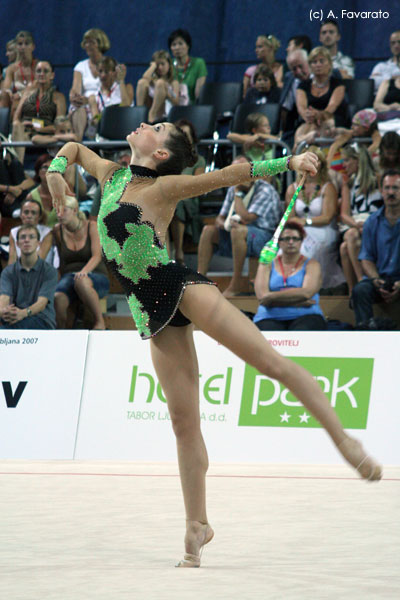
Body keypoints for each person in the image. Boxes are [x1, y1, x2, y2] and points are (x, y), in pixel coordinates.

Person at [46, 126, 382, 568]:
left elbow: (230, 174)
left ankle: (343, 440)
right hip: (150, 311)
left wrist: (289, 163)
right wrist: (56, 180)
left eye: (157, 127)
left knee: (271, 364)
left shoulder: (165, 186)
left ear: (160, 151)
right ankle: (197, 523)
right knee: (183, 423)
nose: (146, 124)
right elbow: (71, 148)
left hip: (180, 288)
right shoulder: (109, 174)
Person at [197, 155, 281, 297]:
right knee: (209, 230)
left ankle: (235, 285)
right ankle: (200, 280)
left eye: (241, 169)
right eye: (235, 170)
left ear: (251, 170)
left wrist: (238, 193)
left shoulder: (264, 189)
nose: (238, 173)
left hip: (265, 238)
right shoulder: (233, 188)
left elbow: (247, 218)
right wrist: (226, 225)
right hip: (239, 234)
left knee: (238, 231)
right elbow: (219, 219)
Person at [45, 195, 109, 330]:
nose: (59, 214)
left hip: (95, 274)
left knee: (82, 281)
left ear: (75, 210)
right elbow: (61, 261)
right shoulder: (57, 230)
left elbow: (97, 256)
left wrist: (84, 272)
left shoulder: (91, 226)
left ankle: (100, 322)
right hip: (69, 276)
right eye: (57, 211)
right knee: (58, 297)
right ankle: (61, 332)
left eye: (64, 210)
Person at [285, 145, 344, 289]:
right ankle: (287, 284)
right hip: (299, 228)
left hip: (322, 228)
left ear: (321, 165)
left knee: (306, 251)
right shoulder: (293, 188)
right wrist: (297, 224)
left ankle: (308, 286)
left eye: (316, 160)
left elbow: (327, 217)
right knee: (282, 249)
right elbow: (290, 217)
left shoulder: (328, 187)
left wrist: (305, 221)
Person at [253, 221, 326, 331]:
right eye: (286, 239)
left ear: (301, 241)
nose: (291, 242)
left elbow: (306, 293)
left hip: (307, 316)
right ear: (279, 242)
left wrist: (272, 298)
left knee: (302, 332)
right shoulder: (266, 264)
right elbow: (262, 297)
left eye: (295, 238)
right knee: (270, 334)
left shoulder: (312, 264)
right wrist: (299, 301)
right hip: (269, 317)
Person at [351, 170, 400, 327]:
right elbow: (366, 258)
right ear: (381, 190)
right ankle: (365, 337)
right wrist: (376, 280)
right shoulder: (372, 221)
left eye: (396, 188)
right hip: (380, 278)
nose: (391, 192)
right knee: (360, 290)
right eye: (387, 188)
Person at [338, 143, 383, 295]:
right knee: (351, 234)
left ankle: (356, 288)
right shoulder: (348, 184)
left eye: (346, 160)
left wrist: (370, 224)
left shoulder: (378, 179)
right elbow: (344, 215)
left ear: (357, 160)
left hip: (376, 222)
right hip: (354, 224)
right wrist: (356, 225)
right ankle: (359, 282)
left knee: (344, 248)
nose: (344, 165)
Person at [0, 224, 57, 329]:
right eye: (23, 237)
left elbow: (42, 303)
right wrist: (3, 311)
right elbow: (4, 297)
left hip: (42, 320)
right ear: (17, 244)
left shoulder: (49, 271)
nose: (27, 240)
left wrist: (23, 313)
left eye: (31, 237)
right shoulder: (8, 272)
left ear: (38, 243)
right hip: (15, 318)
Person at [11, 60, 67, 163]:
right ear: (35, 74)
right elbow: (16, 119)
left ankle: (17, 168)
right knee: (16, 125)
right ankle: (18, 166)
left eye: (45, 71)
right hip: (25, 134)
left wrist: (37, 127)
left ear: (52, 75)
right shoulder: (27, 94)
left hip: (45, 134)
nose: (41, 74)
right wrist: (22, 126)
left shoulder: (58, 97)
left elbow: (59, 127)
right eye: (38, 71)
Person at [169, 119, 205, 264]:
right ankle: (164, 255)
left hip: (189, 198)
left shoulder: (198, 160)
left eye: (187, 135)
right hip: (170, 196)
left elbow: (198, 185)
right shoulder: (168, 159)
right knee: (162, 205)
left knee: (175, 204)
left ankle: (178, 252)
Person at [69, 28, 111, 140]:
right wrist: (75, 97)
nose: (87, 45)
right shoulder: (80, 66)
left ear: (100, 44)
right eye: (86, 42)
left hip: (104, 102)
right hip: (85, 103)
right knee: (78, 107)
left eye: (91, 42)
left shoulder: (111, 64)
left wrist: (92, 100)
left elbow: (111, 90)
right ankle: (78, 143)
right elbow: (75, 88)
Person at [296, 47, 348, 128]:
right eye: (314, 62)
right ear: (310, 66)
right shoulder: (303, 85)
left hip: (332, 121)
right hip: (309, 122)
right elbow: (301, 107)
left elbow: (332, 107)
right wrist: (307, 116)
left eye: (321, 61)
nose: (318, 65)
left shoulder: (338, 84)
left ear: (330, 65)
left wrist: (318, 115)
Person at [7, 198, 57, 267]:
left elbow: (40, 258)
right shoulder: (14, 232)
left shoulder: (47, 232)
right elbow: (12, 258)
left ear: (39, 217)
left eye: (33, 213)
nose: (29, 216)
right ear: (21, 215)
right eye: (26, 212)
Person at [88, 56, 134, 125]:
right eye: (100, 71)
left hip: (124, 127)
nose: (103, 75)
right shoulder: (93, 97)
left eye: (106, 71)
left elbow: (126, 106)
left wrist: (121, 80)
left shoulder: (127, 88)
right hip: (105, 130)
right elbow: (96, 121)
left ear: (114, 72)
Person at [136, 50, 179, 123]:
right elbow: (145, 77)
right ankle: (138, 114)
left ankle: (152, 113)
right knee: (142, 82)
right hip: (147, 110)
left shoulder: (174, 82)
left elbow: (176, 101)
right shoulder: (151, 81)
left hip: (164, 114)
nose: (160, 67)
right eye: (157, 65)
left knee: (160, 83)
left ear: (169, 65)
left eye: (163, 64)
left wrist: (167, 91)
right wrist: (153, 66)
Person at [2, 31, 37, 117]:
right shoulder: (11, 69)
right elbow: (6, 87)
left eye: (27, 43)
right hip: (16, 102)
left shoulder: (39, 66)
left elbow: (38, 85)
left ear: (33, 47)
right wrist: (9, 92)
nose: (23, 47)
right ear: (16, 47)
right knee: (6, 97)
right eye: (20, 44)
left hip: (36, 98)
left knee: (18, 103)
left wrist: (21, 94)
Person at [168, 29, 207, 105]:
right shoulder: (168, 65)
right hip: (171, 105)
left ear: (188, 46)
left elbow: (198, 94)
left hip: (190, 107)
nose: (177, 47)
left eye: (180, 43)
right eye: (174, 45)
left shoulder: (199, 63)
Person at [280, 49, 311, 143]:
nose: (298, 71)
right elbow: (285, 108)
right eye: (294, 69)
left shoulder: (321, 77)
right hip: (298, 124)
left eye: (301, 66)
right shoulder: (290, 79)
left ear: (308, 62)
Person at [0, 152, 35, 217]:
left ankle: (17, 207)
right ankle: (15, 207)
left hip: (18, 195)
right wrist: (10, 189)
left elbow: (31, 181)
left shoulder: (13, 165)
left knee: (16, 164)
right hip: (4, 200)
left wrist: (17, 189)